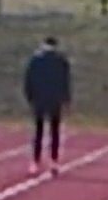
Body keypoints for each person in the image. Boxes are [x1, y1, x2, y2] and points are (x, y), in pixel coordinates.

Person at [22, 36, 73, 175]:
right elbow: (65, 82)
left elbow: (28, 80)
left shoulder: (36, 60)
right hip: (55, 99)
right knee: (54, 131)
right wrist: (66, 99)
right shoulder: (61, 60)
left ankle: (35, 162)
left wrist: (30, 97)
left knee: (38, 131)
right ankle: (54, 161)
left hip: (39, 99)